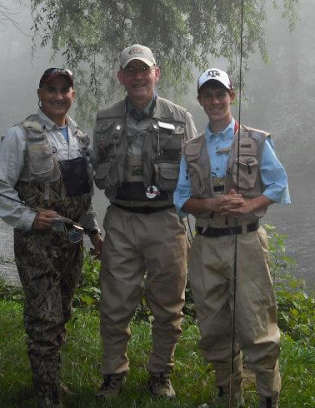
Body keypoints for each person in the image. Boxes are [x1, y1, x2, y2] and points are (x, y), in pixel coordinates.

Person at [173, 68, 290, 408]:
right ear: (200, 101)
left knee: (256, 324)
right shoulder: (191, 148)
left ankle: (269, 399)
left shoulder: (256, 140)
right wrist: (208, 203)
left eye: (220, 94)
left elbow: (279, 185)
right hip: (206, 245)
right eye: (207, 95)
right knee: (214, 327)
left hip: (247, 242)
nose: (214, 101)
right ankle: (229, 399)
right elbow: (180, 200)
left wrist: (250, 205)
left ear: (231, 96)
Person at [0, 67, 102, 408]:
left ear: (73, 94)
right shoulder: (19, 135)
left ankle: (51, 380)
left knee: (62, 312)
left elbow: (83, 197)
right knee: (43, 316)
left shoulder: (79, 139)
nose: (58, 96)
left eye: (65, 89)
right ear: (40, 93)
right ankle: (47, 396)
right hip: (36, 243)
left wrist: (93, 232)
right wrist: (28, 217)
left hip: (70, 239)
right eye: (51, 89)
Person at [92, 44, 197, 400]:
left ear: (157, 72)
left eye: (144, 70)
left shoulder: (180, 117)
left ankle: (160, 374)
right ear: (121, 77)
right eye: (130, 71)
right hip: (121, 218)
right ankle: (113, 373)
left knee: (169, 304)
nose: (138, 77)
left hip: (166, 220)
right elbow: (95, 166)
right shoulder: (104, 118)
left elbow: (195, 171)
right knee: (114, 301)